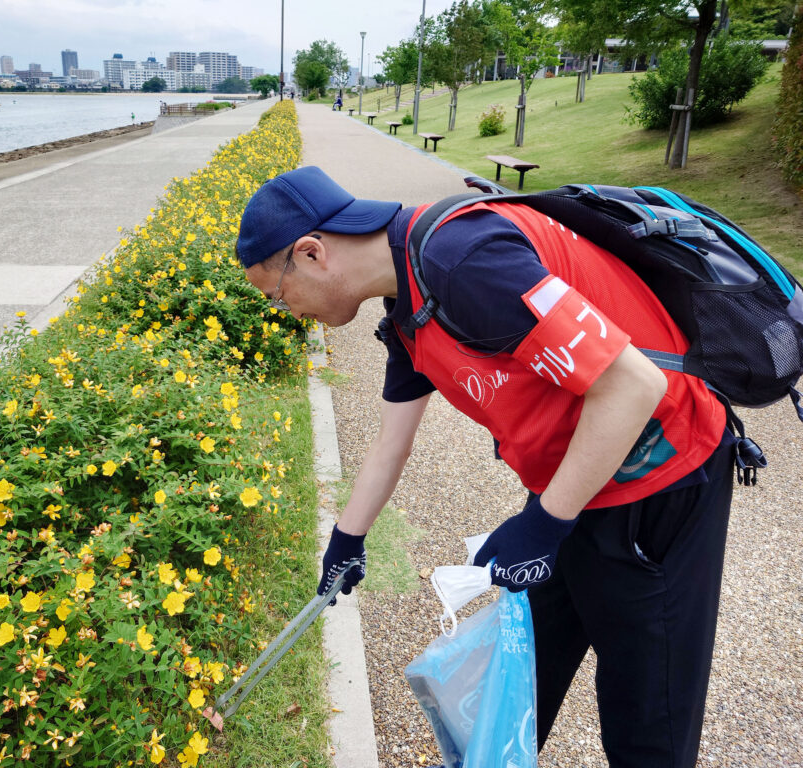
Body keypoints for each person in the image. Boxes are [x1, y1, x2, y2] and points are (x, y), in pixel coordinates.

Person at [235, 166, 735, 768]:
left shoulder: (463, 260)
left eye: (277, 295)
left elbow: (635, 386)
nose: (286, 311)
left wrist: (545, 524)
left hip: (660, 481)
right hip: (573, 485)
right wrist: (348, 538)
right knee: (519, 691)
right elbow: (392, 443)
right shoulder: (408, 303)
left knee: (647, 727)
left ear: (311, 253)